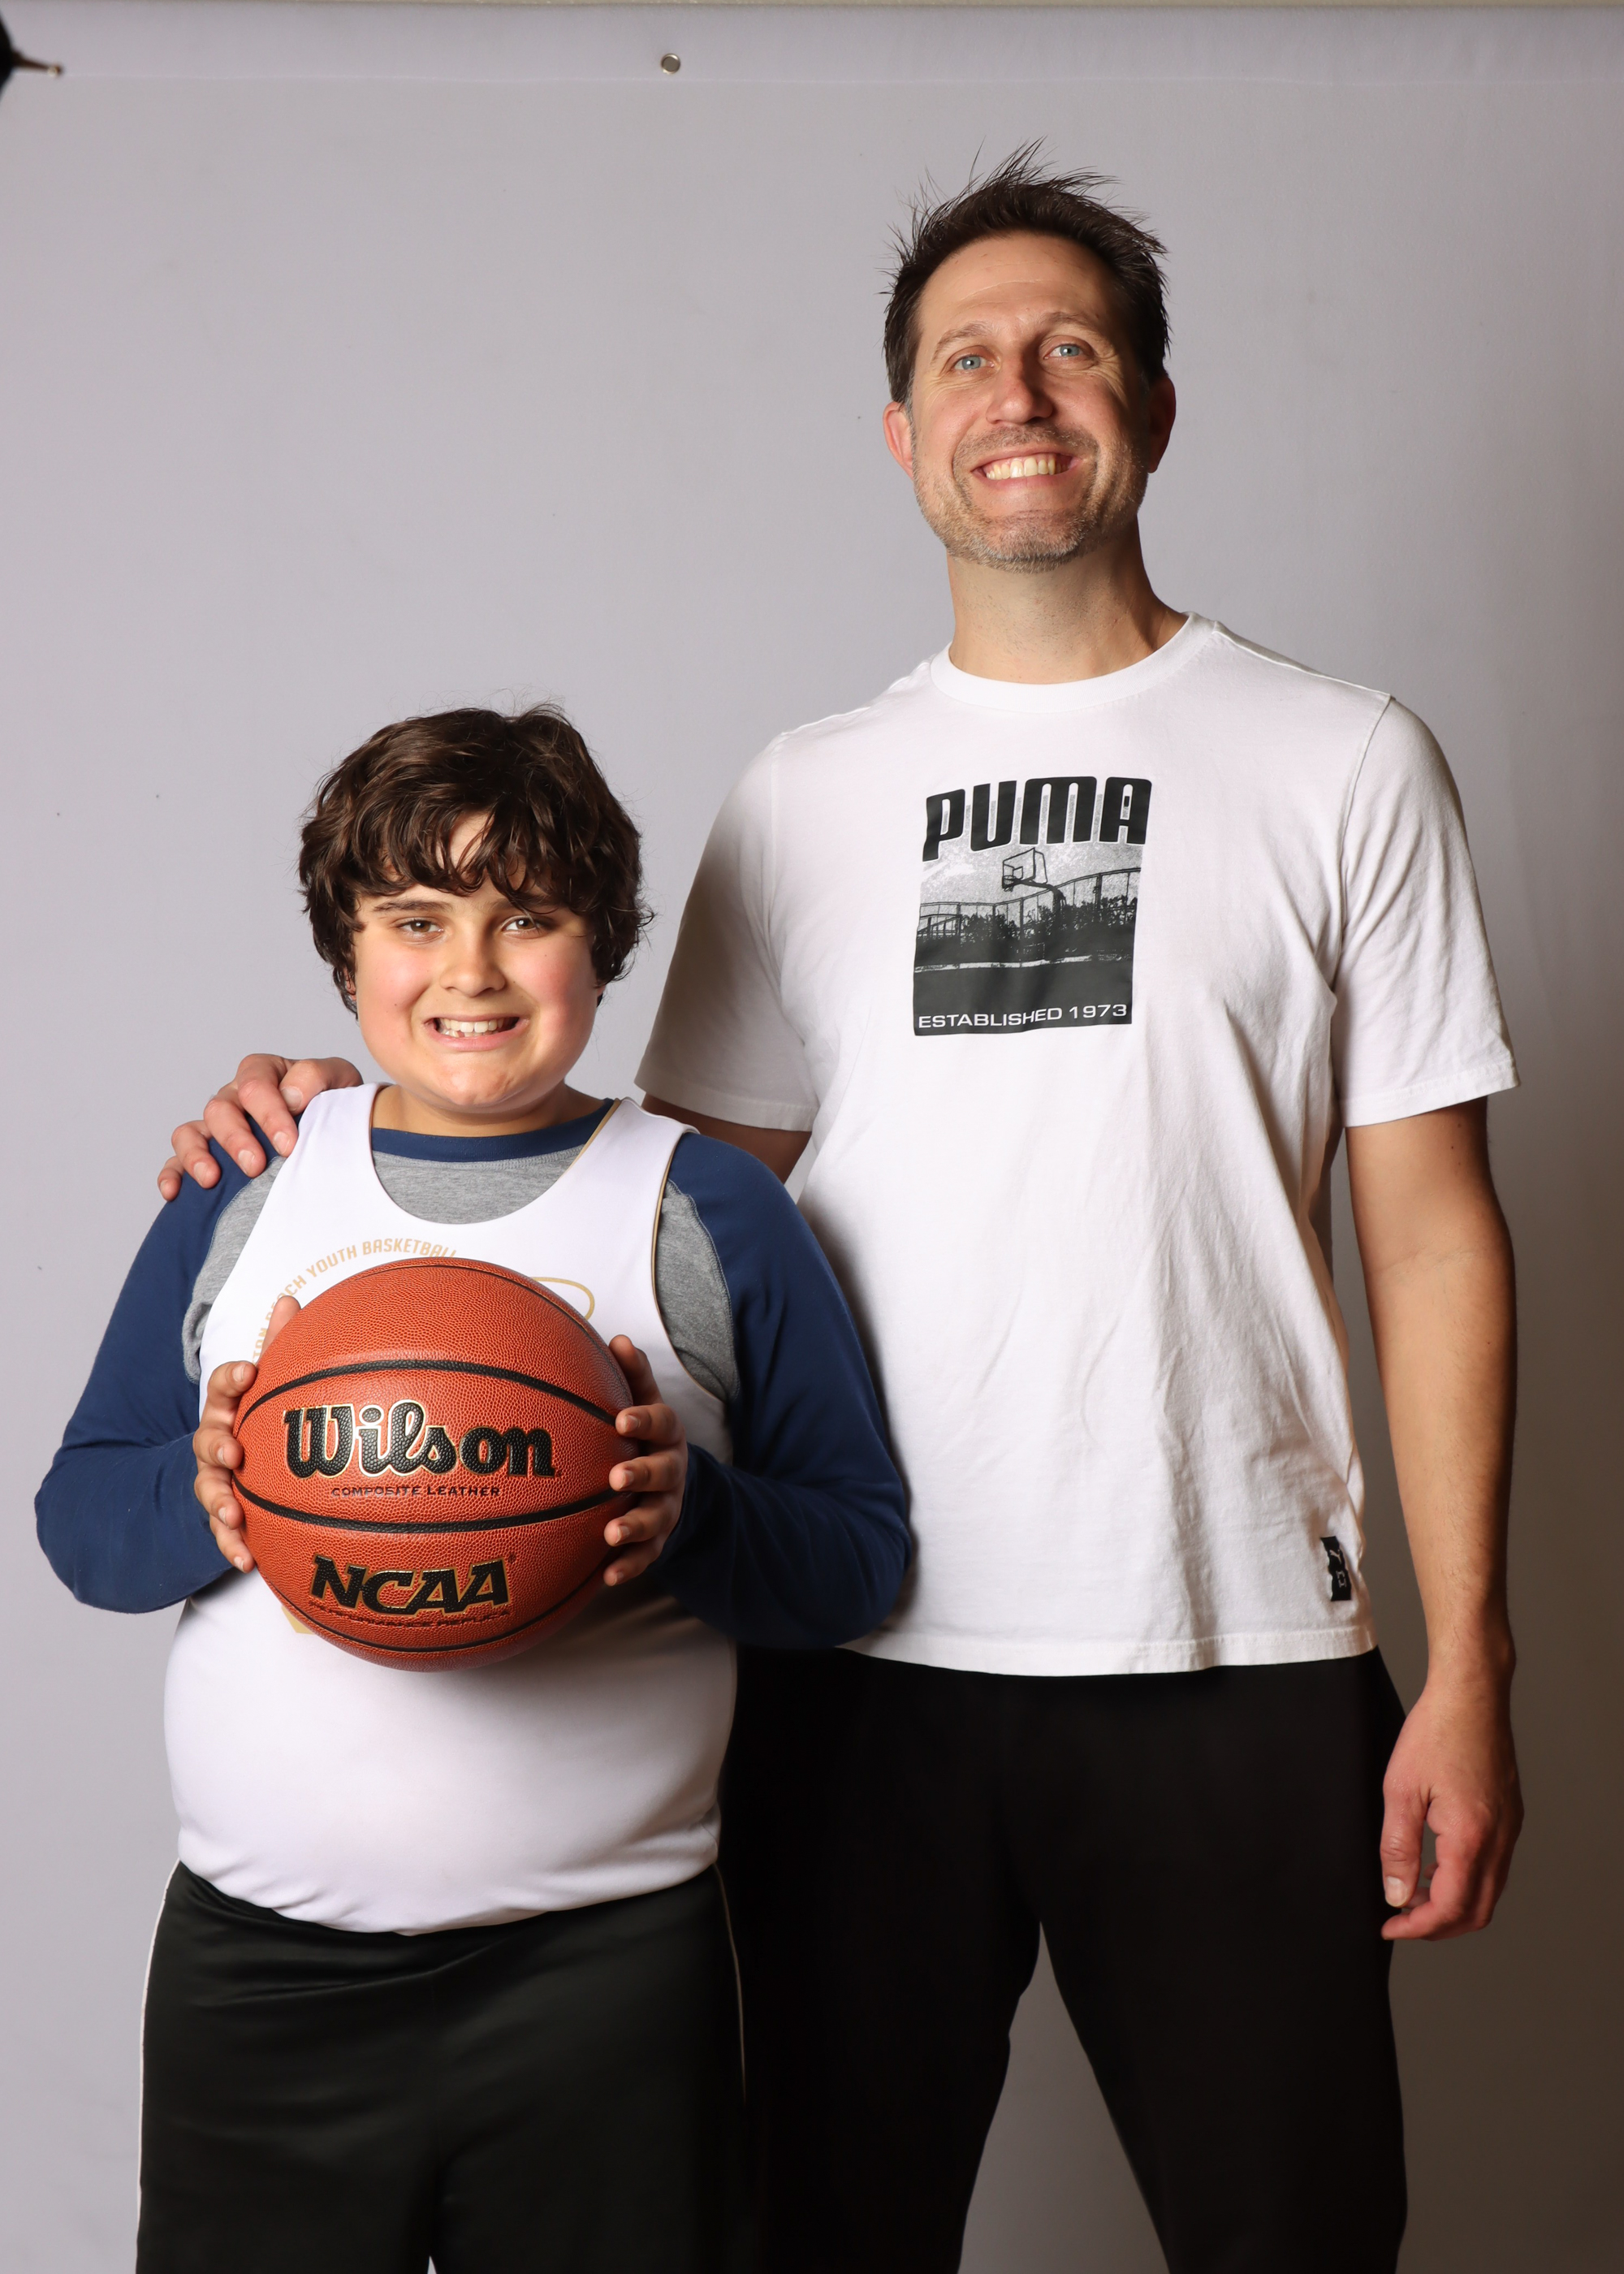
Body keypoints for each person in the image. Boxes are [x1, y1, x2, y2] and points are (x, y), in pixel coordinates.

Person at [158, 153, 1522, 2274]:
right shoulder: (803, 796)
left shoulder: (1343, 760)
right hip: (851, 1660)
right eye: (967, 358)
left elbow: (1432, 1234)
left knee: (1299, 2238)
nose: (1019, 394)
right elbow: (649, 1203)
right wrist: (350, 1109)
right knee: (820, 2239)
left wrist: (1469, 1662)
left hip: (1235, 1643)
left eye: (1070, 350)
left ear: (1154, 408)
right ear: (901, 431)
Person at [38, 706, 909, 2274]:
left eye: (530, 917)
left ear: (603, 945)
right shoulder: (248, 1187)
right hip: (263, 1978)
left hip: (605, 1979)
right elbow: (80, 1517)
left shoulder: (709, 1206)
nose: (473, 971)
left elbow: (860, 1557)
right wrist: (205, 1497)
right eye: (416, 920)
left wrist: (692, 1516)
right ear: (347, 950)